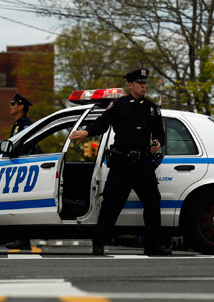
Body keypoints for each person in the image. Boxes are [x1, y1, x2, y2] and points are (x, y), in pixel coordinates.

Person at [68, 68, 171, 256]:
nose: (143, 86)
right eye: (139, 83)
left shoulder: (152, 108)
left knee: (153, 201)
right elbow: (102, 122)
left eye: (145, 83)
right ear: (130, 85)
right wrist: (86, 132)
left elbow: (159, 133)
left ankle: (153, 245)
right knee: (112, 204)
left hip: (143, 163)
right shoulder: (119, 105)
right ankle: (99, 243)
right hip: (122, 162)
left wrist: (158, 143)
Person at [6, 93, 34, 250]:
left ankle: (23, 239)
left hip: (23, 167)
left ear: (21, 106)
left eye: (13, 103)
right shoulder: (18, 124)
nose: (10, 106)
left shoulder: (25, 125)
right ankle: (22, 238)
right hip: (18, 166)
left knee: (21, 203)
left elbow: (23, 147)